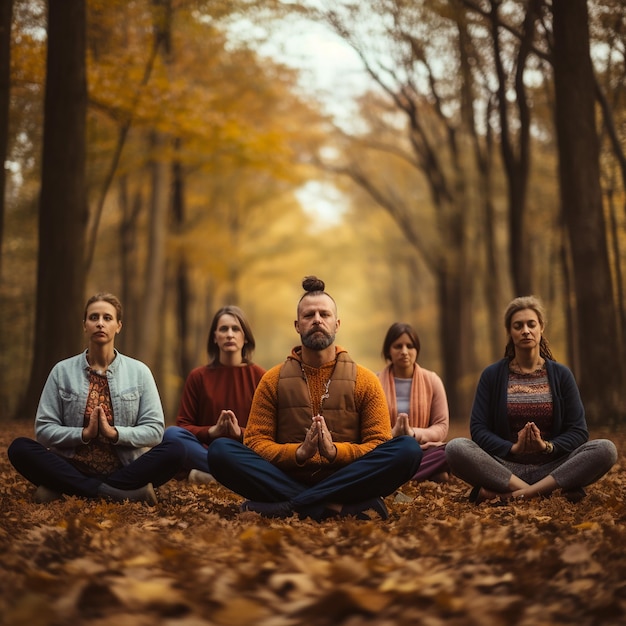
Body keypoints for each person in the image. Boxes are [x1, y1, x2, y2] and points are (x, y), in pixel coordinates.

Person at [206, 276, 423, 521]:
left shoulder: (365, 380)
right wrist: (298, 453)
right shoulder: (271, 379)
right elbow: (256, 442)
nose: (317, 320)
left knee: (407, 449)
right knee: (220, 451)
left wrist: (335, 453)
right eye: (309, 316)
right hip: (285, 477)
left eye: (324, 314)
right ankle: (334, 507)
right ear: (297, 325)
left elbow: (378, 443)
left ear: (337, 324)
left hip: (350, 477)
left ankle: (290, 506)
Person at [7, 292, 184, 505]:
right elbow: (44, 430)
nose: (100, 323)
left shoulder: (140, 372)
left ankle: (68, 490)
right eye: (94, 317)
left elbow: (155, 430)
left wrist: (115, 433)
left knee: (176, 449)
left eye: (107, 318)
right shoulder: (61, 371)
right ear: (85, 325)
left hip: (126, 469)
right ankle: (114, 493)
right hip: (71, 466)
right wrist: (83, 434)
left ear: (118, 325)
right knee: (20, 448)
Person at [445, 295, 617, 504]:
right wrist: (512, 448)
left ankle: (513, 496)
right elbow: (479, 429)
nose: (525, 330)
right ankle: (543, 492)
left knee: (605, 449)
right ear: (510, 332)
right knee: (456, 447)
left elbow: (579, 431)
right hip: (505, 468)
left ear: (541, 328)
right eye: (518, 326)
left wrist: (547, 446)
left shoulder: (562, 375)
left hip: (554, 467)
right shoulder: (492, 375)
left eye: (531, 324)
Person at [162, 305, 266, 483]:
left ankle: (216, 476)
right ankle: (230, 476)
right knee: (171, 434)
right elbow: (183, 426)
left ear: (246, 337)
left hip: (244, 454)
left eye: (236, 329)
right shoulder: (198, 376)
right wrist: (211, 432)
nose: (229, 334)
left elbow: (267, 434)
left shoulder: (261, 377)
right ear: (215, 338)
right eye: (223, 329)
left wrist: (239, 433)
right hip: (206, 453)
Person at [378, 322, 449, 482]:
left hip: (422, 451)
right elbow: (368, 431)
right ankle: (425, 474)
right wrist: (392, 434)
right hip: (387, 452)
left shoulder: (432, 380)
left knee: (450, 451)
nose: (404, 352)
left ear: (416, 349)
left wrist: (413, 434)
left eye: (409, 346)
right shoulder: (375, 382)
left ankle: (393, 478)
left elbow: (441, 426)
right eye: (398, 346)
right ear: (388, 349)